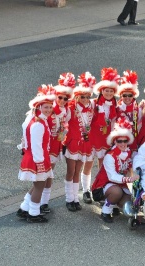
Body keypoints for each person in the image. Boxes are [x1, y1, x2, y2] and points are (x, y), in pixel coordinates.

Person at [16, 85, 56, 223]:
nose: (49, 110)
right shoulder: (38, 124)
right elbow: (36, 146)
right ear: (39, 108)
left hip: (37, 157)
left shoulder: (36, 119)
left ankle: (24, 208)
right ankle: (33, 214)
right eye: (46, 107)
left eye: (50, 107)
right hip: (37, 158)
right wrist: (40, 164)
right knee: (40, 186)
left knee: (38, 185)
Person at [81, 68, 119, 204]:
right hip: (93, 138)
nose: (108, 93)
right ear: (101, 90)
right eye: (106, 90)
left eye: (111, 91)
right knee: (88, 164)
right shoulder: (93, 103)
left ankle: (99, 188)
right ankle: (86, 190)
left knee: (103, 165)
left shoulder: (116, 105)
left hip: (106, 139)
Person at [91, 118, 139, 223]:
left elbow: (130, 169)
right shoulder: (110, 156)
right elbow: (112, 176)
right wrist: (128, 179)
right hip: (104, 185)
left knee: (128, 202)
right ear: (114, 141)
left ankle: (114, 205)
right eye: (119, 141)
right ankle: (106, 211)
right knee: (116, 192)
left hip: (120, 184)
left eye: (125, 141)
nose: (122, 143)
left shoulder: (128, 153)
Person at [39, 77, 73, 214]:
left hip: (56, 146)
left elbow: (66, 126)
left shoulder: (66, 111)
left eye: (66, 99)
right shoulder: (49, 110)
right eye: (60, 98)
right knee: (43, 175)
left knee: (49, 174)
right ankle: (37, 203)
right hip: (46, 147)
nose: (63, 101)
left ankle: (44, 202)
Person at [63, 72, 96, 211]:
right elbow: (61, 120)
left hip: (85, 144)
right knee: (71, 171)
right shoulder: (71, 108)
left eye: (88, 97)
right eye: (82, 97)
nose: (85, 99)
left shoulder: (91, 108)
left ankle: (76, 198)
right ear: (77, 96)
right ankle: (68, 198)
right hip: (72, 143)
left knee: (78, 171)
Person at [116, 70, 140, 155]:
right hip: (121, 140)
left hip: (134, 137)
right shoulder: (116, 107)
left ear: (134, 96)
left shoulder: (138, 107)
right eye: (124, 95)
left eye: (130, 95)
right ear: (120, 96)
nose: (127, 98)